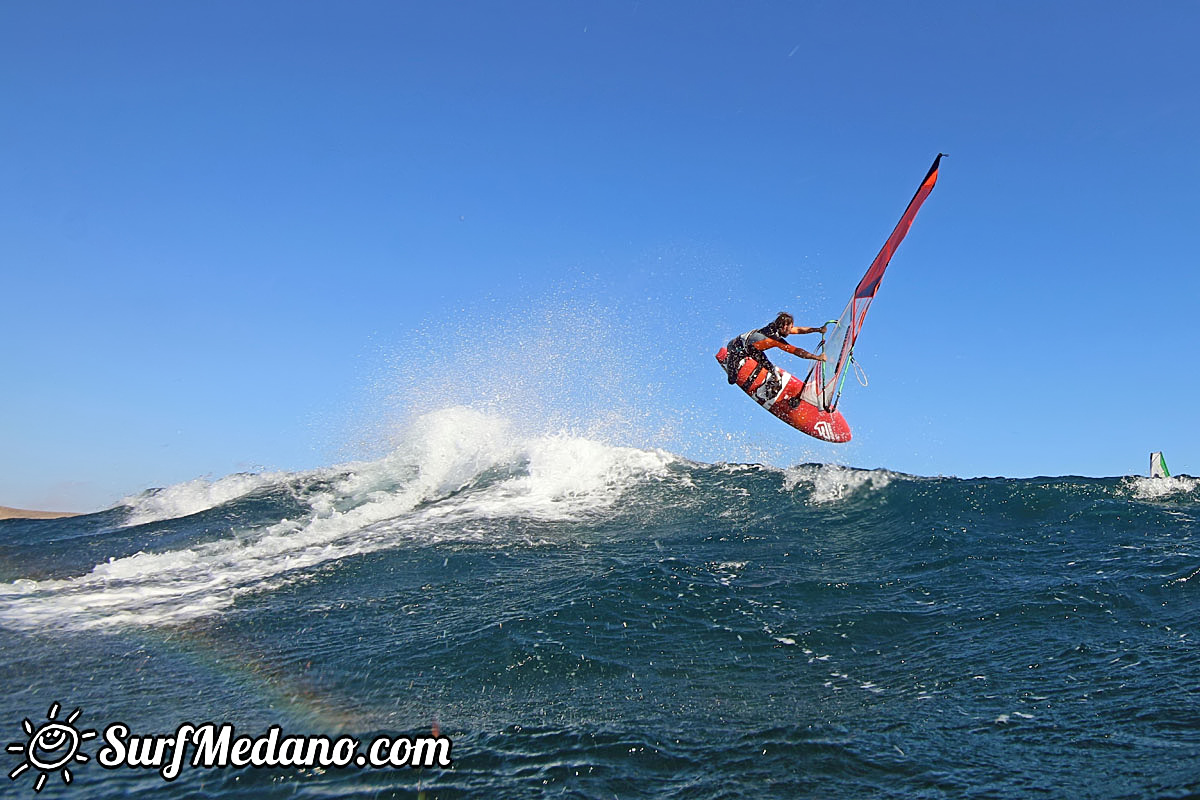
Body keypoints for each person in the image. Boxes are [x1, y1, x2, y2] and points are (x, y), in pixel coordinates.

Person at [724, 312, 827, 402]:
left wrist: (818, 329)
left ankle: (762, 384)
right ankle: (761, 393)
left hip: (753, 350)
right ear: (785, 326)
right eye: (790, 327)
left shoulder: (778, 327)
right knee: (732, 380)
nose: (792, 330)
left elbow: (799, 330)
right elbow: (797, 351)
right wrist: (817, 357)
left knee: (772, 370)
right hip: (736, 350)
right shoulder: (774, 338)